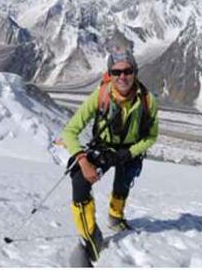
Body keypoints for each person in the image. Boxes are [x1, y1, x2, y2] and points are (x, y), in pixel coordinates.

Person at [62, 47, 159, 262]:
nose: (122, 77)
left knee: (123, 184)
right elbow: (70, 132)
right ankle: (90, 236)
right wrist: (83, 160)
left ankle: (115, 217)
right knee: (79, 179)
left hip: (130, 149)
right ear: (109, 75)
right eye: (116, 72)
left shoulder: (148, 101)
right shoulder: (101, 95)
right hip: (104, 147)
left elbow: (151, 136)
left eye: (127, 71)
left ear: (135, 71)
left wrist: (129, 153)